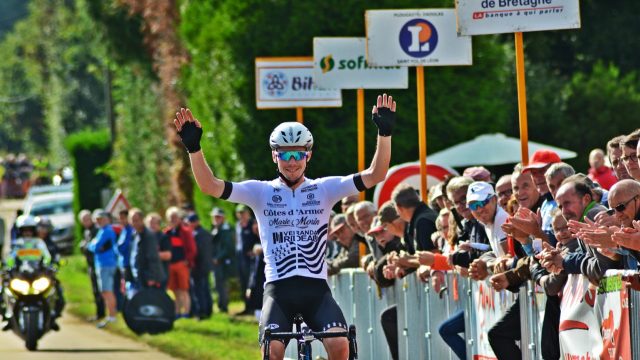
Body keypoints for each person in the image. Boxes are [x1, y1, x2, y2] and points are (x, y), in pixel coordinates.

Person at [173, 93, 395, 359]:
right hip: (279, 291)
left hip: (316, 290)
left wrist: (385, 134)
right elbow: (210, 186)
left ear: (308, 156)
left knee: (340, 345)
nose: (292, 162)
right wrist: (194, 149)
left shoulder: (325, 188)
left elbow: (376, 175)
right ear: (274, 156)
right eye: (285, 154)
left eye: (298, 154)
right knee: (273, 350)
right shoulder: (260, 192)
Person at [88, 210, 118, 328]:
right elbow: (93, 246)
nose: (99, 221)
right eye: (98, 219)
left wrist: (92, 245)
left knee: (107, 291)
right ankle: (110, 315)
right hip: (102, 264)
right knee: (105, 291)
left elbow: (94, 246)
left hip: (106, 264)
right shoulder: (102, 231)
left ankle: (112, 316)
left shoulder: (107, 231)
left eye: (102, 219)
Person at [164, 206, 196, 318]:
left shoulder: (185, 232)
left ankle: (186, 313)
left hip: (182, 264)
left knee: (184, 290)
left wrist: (188, 262)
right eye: (171, 217)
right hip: (170, 265)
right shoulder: (167, 232)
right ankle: (177, 312)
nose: (173, 220)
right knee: (175, 291)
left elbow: (192, 249)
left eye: (175, 217)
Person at [129, 208, 165, 297]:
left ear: (142, 220)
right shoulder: (134, 235)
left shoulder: (149, 236)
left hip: (148, 277)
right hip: (139, 275)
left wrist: (151, 277)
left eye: (137, 220)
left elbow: (153, 257)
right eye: (133, 221)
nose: (135, 223)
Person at [78, 209, 104, 321]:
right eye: (84, 220)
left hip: (98, 264)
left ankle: (102, 313)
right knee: (95, 290)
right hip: (90, 264)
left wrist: (85, 246)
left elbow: (94, 247)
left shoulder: (96, 231)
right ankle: (99, 313)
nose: (86, 221)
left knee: (101, 290)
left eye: (88, 219)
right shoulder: (87, 232)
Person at [187, 214, 214, 319]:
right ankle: (208, 310)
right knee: (206, 288)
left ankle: (202, 312)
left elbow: (197, 252)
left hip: (199, 265)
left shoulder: (196, 234)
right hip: (206, 265)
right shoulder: (206, 233)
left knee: (199, 289)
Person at [234, 204, 260, 315]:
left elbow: (259, 238)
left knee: (252, 282)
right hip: (240, 257)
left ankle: (254, 307)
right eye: (239, 213)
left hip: (251, 257)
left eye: (243, 213)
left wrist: (255, 250)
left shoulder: (253, 224)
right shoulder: (238, 225)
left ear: (248, 213)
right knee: (243, 281)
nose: (241, 215)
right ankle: (247, 306)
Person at [210, 207, 234, 313]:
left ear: (223, 218)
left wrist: (217, 258)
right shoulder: (215, 228)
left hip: (222, 262)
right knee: (217, 284)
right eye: (215, 217)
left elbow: (228, 247)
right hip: (216, 261)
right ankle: (221, 305)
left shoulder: (225, 229)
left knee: (221, 284)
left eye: (218, 217)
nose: (216, 219)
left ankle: (224, 307)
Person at [145, 212, 172, 290]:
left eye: (154, 223)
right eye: (150, 223)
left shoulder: (163, 237)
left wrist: (150, 255)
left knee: (159, 298)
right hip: (147, 274)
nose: (152, 225)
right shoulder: (144, 238)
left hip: (160, 274)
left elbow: (168, 255)